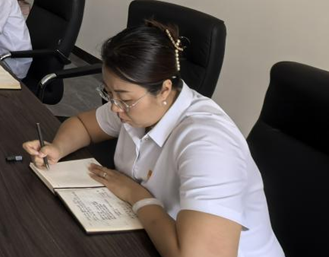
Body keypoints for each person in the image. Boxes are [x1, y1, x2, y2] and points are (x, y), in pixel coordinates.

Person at [22, 21, 283, 257]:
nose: (114, 107)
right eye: (109, 93)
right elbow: (83, 125)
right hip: (153, 232)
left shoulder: (208, 144)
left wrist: (136, 195)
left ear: (165, 90)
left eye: (124, 98)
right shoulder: (134, 107)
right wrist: (57, 148)